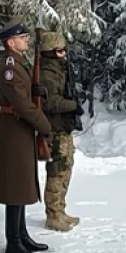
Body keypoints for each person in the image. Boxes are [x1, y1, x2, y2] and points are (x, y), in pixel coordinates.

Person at [0, 19, 53, 253]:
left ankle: (22, 234)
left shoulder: (20, 63)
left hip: (21, 128)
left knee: (22, 182)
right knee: (15, 186)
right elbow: (21, 104)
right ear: (10, 42)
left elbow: (27, 95)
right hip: (14, 128)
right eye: (21, 37)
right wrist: (44, 124)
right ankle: (13, 240)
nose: (26, 40)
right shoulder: (10, 67)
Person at [38, 31, 83, 232]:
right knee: (56, 171)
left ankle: (60, 209)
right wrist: (72, 105)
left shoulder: (59, 70)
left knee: (65, 168)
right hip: (54, 128)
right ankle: (53, 214)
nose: (63, 54)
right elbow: (50, 102)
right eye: (58, 51)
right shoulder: (48, 73)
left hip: (63, 126)